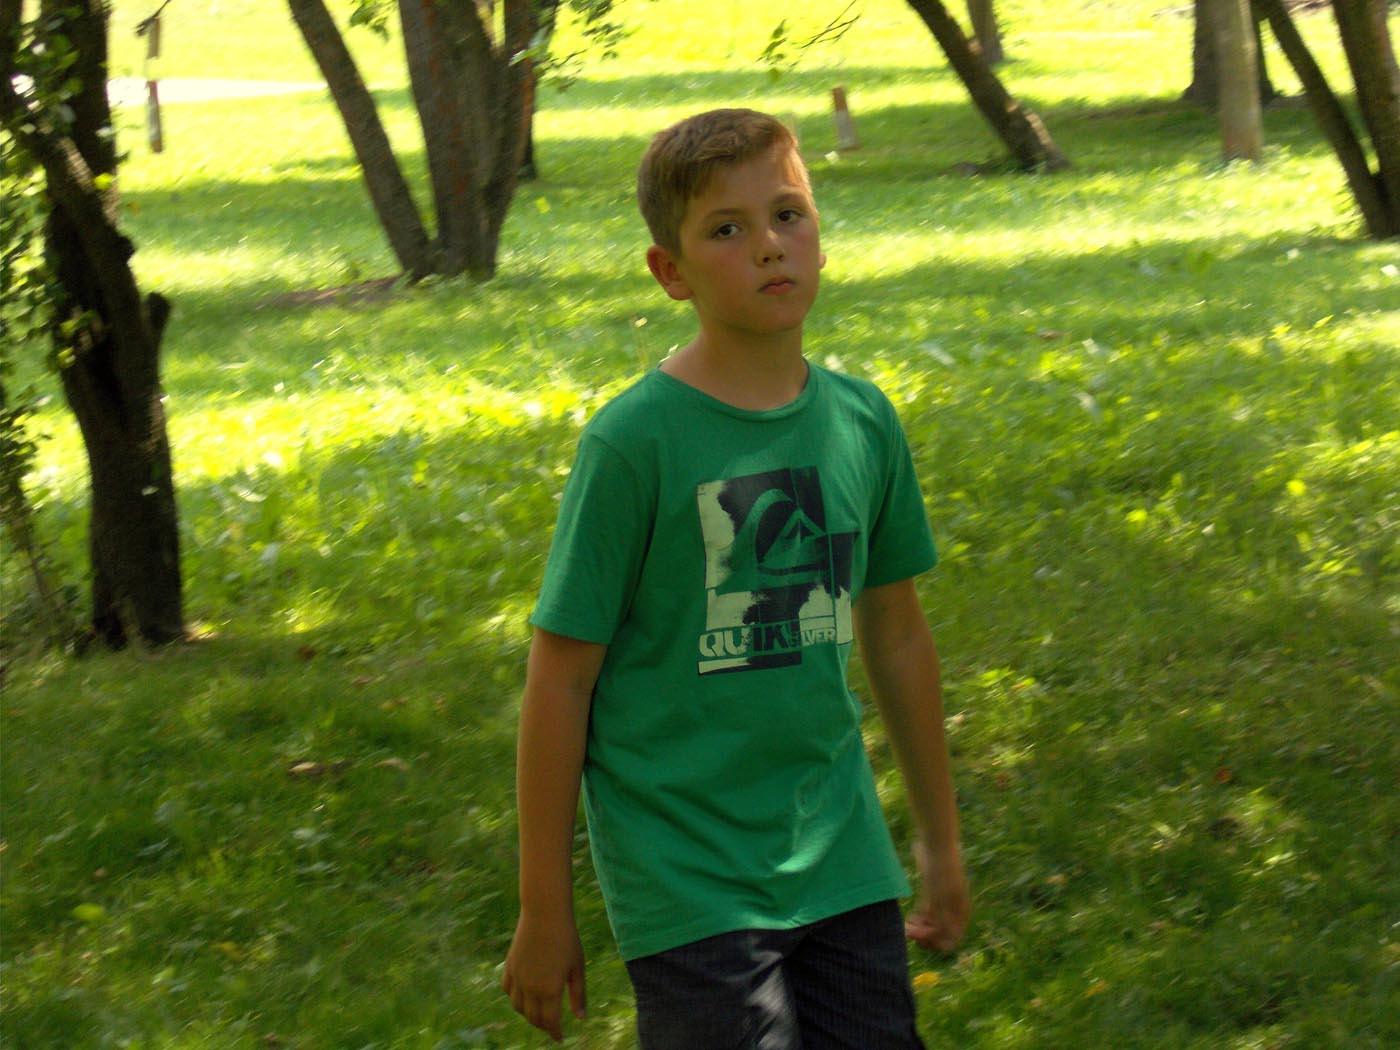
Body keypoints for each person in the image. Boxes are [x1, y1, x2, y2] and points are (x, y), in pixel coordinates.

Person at [501, 108, 970, 1048]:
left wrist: (939, 840)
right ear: (669, 272)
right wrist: (543, 907)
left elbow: (897, 635)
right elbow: (561, 679)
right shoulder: (634, 444)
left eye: (788, 214)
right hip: (689, 874)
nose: (768, 246)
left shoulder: (862, 423)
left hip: (840, 855)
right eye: (726, 229)